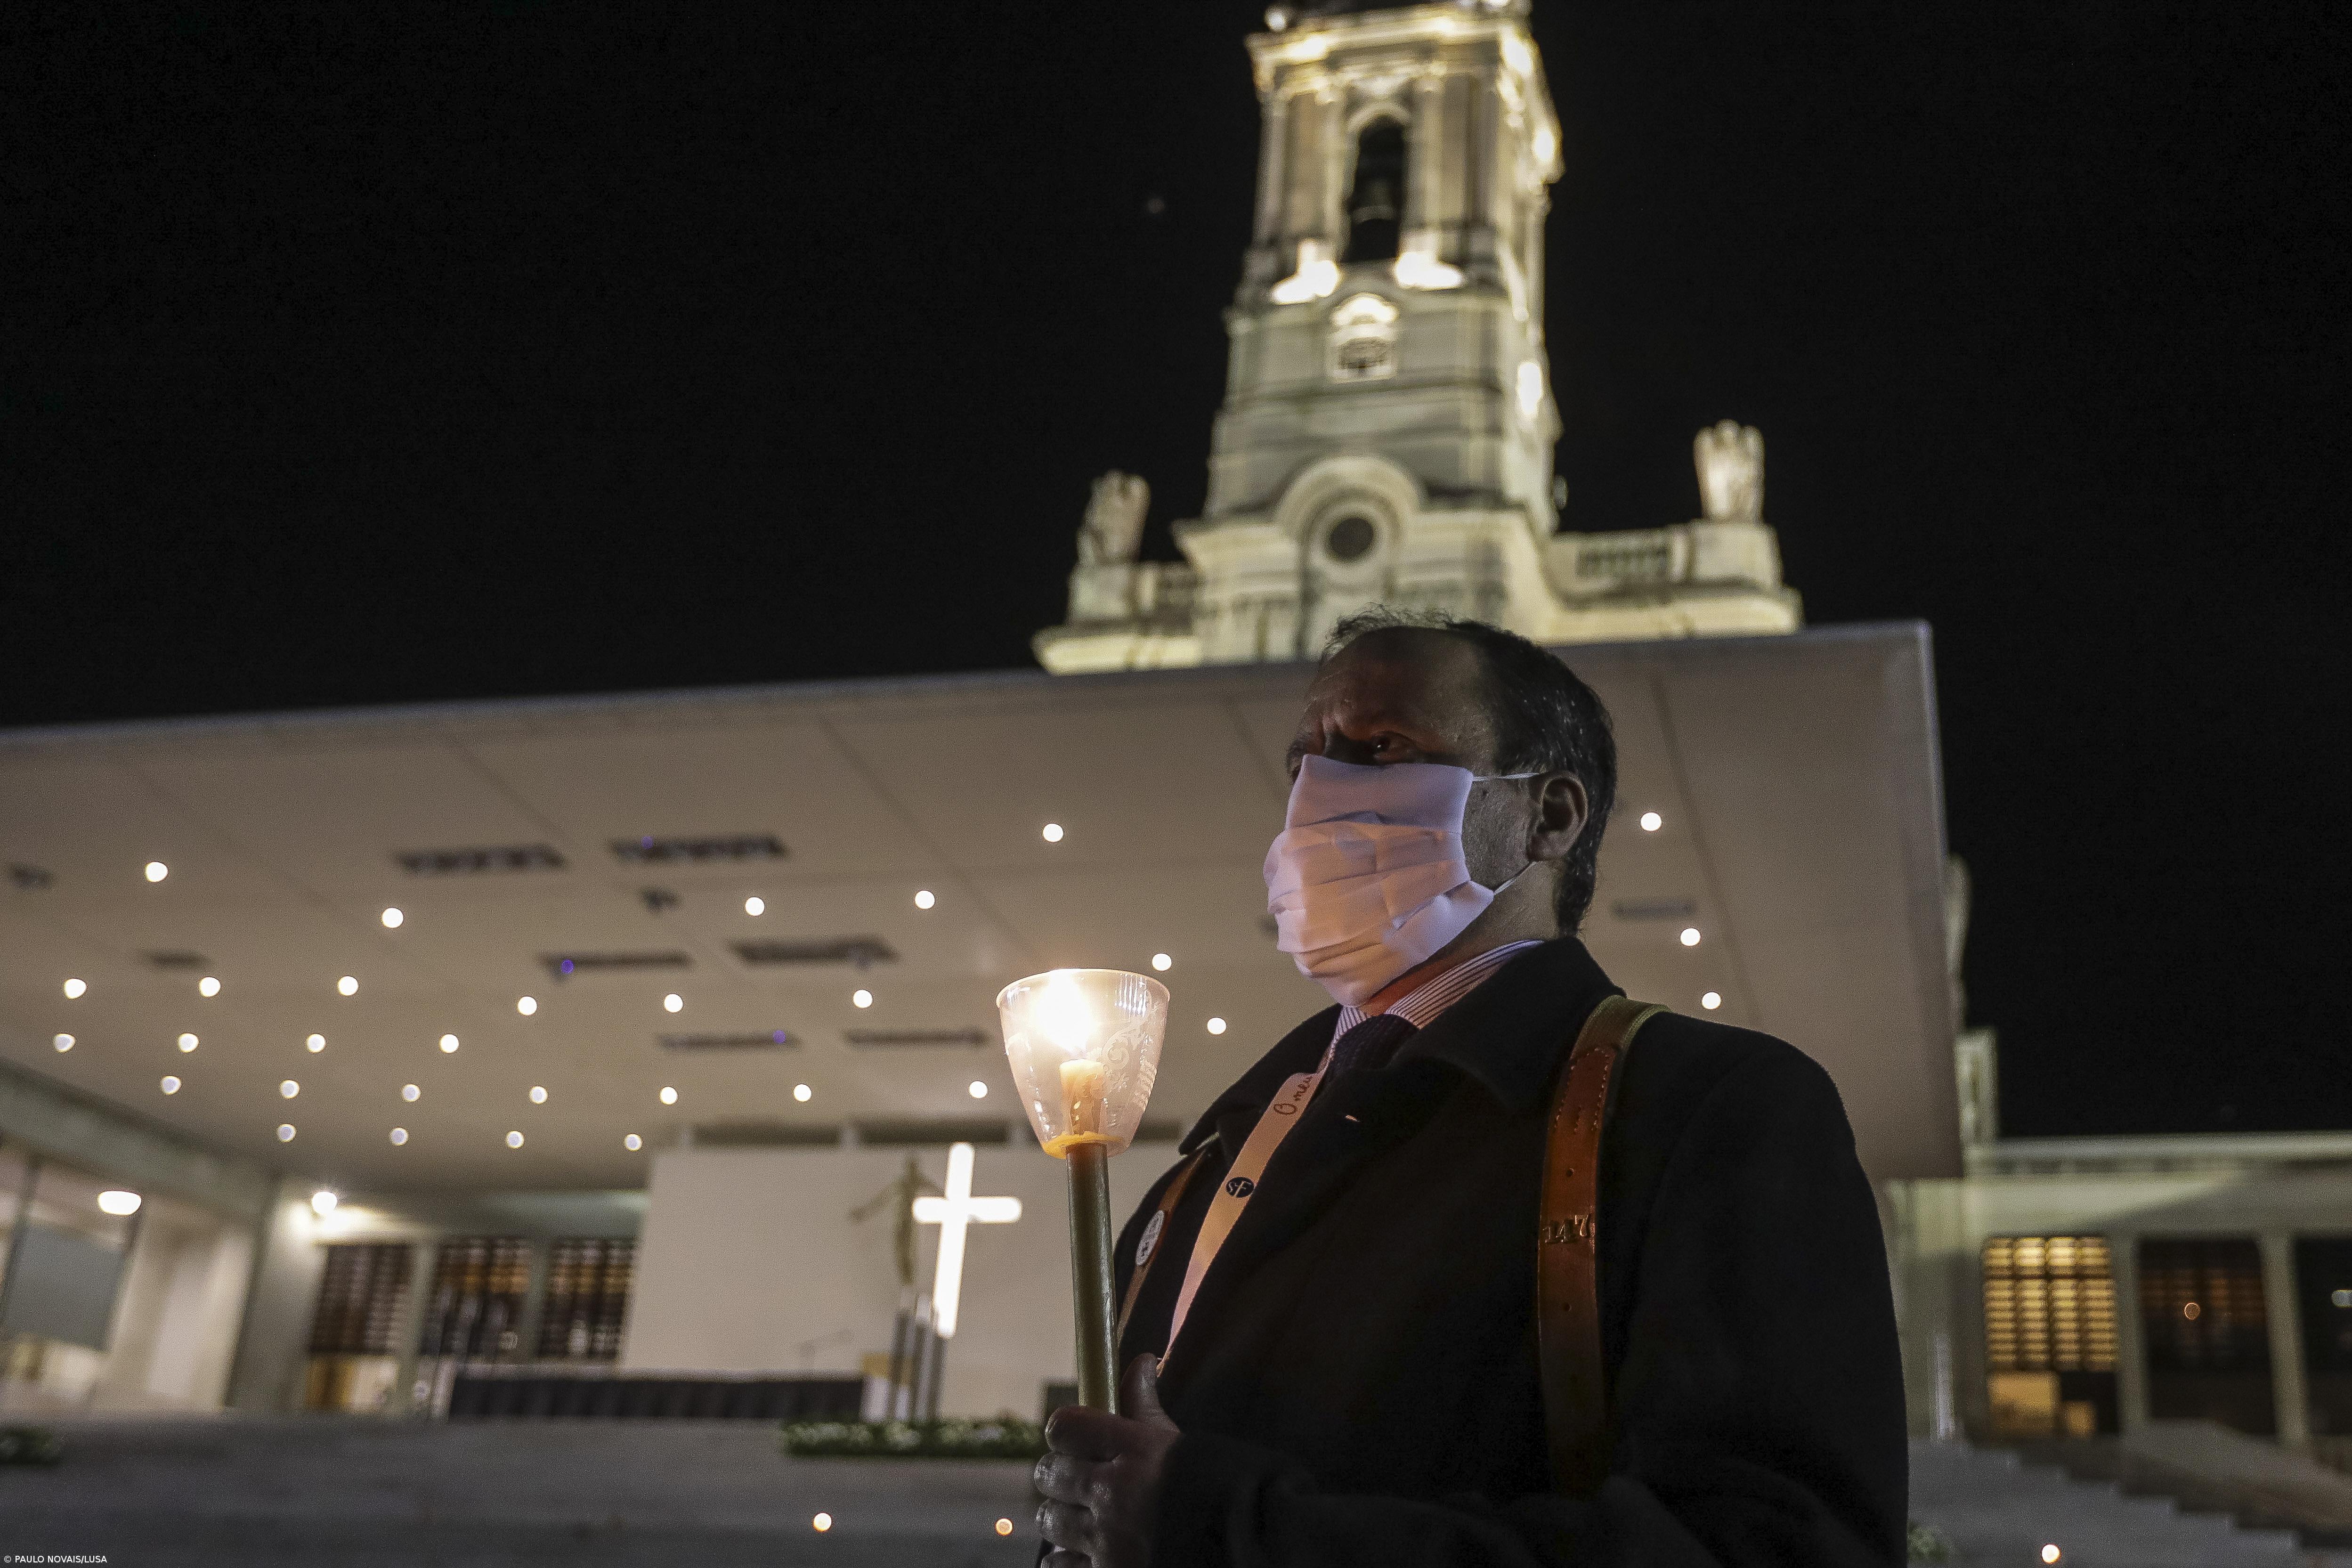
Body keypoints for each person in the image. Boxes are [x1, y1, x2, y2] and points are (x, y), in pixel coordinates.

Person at [1033, 611, 1907, 1567]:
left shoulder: (1702, 1111)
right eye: (1306, 759)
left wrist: (1227, 1529)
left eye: (1381, 747)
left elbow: (1780, 1546)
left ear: (1550, 816)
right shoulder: (1214, 1158)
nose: (1321, 792)